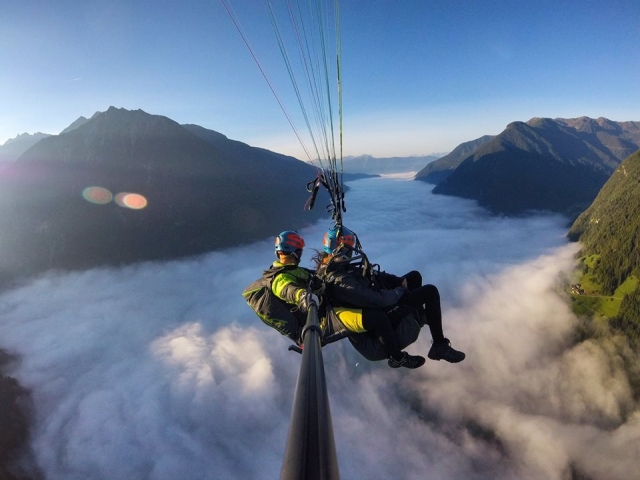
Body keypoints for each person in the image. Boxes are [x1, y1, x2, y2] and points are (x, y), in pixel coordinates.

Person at [315, 225, 465, 366]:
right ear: (338, 247)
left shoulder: (338, 269)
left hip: (379, 312)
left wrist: (399, 281)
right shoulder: (340, 281)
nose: (351, 250)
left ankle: (419, 316)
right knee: (430, 292)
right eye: (347, 246)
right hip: (376, 335)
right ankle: (439, 345)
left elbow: (374, 277)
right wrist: (399, 290)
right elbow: (376, 300)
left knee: (414, 277)